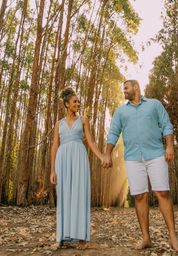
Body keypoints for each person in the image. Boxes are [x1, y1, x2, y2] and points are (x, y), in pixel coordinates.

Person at [102, 80, 178, 251]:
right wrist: (107, 153)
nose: (124, 90)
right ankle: (146, 238)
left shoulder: (154, 104)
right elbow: (113, 132)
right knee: (139, 196)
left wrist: (169, 146)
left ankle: (173, 237)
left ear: (136, 87)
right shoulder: (121, 111)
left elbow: (166, 124)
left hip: (156, 155)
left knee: (163, 192)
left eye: (126, 87)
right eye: (122, 88)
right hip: (133, 158)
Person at [50, 87, 104, 249]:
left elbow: (91, 142)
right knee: (64, 195)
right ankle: (61, 237)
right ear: (67, 104)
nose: (78, 103)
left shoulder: (84, 120)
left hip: (80, 157)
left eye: (78, 101)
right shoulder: (58, 124)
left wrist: (101, 157)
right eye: (75, 101)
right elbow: (54, 146)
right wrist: (52, 170)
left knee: (80, 195)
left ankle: (81, 237)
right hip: (62, 159)